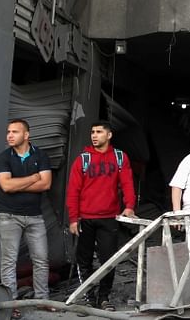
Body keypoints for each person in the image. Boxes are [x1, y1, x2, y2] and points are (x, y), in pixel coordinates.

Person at [66, 120, 136, 311]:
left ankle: (104, 298)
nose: (94, 135)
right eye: (92, 132)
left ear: (109, 135)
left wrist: (129, 206)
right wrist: (73, 218)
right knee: (84, 260)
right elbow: (73, 190)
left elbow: (128, 183)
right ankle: (88, 298)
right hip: (85, 218)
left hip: (109, 218)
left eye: (98, 132)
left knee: (108, 259)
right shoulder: (83, 159)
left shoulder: (120, 157)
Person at [0, 119, 52, 309]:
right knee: (9, 262)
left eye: (15, 132)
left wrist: (19, 183)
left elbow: (46, 184)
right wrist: (34, 177)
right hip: (8, 216)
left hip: (35, 216)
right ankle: (12, 305)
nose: (10, 135)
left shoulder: (41, 156)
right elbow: (6, 186)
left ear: (26, 135)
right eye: (8, 131)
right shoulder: (3, 158)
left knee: (41, 260)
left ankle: (42, 301)